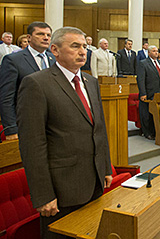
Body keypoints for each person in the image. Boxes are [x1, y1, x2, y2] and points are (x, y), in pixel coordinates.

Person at [16, 27, 112, 239]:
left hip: (94, 183)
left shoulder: (91, 82)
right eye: (75, 46)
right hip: (62, 190)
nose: (82, 52)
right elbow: (33, 145)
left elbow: (99, 129)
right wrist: (43, 195)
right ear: (55, 50)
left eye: (85, 46)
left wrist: (106, 167)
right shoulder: (36, 83)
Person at [0, 21, 55, 141]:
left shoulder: (55, 59)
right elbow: (6, 97)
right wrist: (10, 128)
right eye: (40, 34)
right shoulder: (13, 60)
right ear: (29, 37)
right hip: (26, 123)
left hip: (52, 125)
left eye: (48, 35)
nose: (45, 38)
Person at [137, 46, 160, 140]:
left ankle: (155, 131)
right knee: (147, 115)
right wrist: (143, 93)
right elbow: (141, 79)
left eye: (157, 51)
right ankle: (147, 132)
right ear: (149, 53)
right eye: (153, 51)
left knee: (156, 114)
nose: (156, 53)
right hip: (148, 93)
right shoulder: (143, 63)